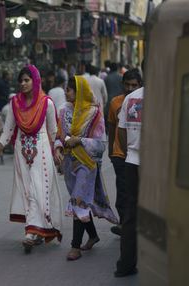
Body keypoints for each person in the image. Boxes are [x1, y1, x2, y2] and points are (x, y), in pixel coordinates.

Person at [0, 65, 63, 250]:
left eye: (27, 80)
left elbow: (54, 133)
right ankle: (34, 231)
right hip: (21, 153)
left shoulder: (47, 103)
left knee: (39, 189)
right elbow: (7, 133)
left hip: (43, 151)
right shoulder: (15, 104)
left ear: (35, 81)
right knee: (28, 190)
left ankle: (32, 232)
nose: (23, 83)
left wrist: (59, 153)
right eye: (21, 80)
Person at [54, 76, 118, 261]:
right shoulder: (63, 111)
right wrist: (58, 147)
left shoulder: (94, 113)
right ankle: (93, 236)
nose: (65, 93)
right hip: (69, 163)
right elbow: (59, 135)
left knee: (78, 200)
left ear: (79, 91)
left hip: (87, 163)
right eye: (66, 89)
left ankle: (75, 247)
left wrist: (80, 140)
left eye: (69, 90)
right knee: (80, 201)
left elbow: (100, 143)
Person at [114, 82, 144, 277]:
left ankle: (125, 265)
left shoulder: (131, 98)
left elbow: (121, 132)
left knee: (130, 215)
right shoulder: (168, 94)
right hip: (158, 164)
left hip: (133, 161)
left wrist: (130, 152)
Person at [108, 70, 142, 236]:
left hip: (135, 155)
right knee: (122, 190)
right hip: (120, 155)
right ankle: (124, 223)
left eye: (133, 85)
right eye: (127, 84)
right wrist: (111, 150)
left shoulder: (141, 100)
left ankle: (133, 223)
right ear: (122, 85)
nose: (130, 88)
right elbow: (112, 126)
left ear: (139, 85)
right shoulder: (115, 102)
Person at [104, 63, 124, 131]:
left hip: (109, 101)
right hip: (120, 101)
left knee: (110, 120)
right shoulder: (121, 77)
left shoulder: (106, 78)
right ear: (117, 68)